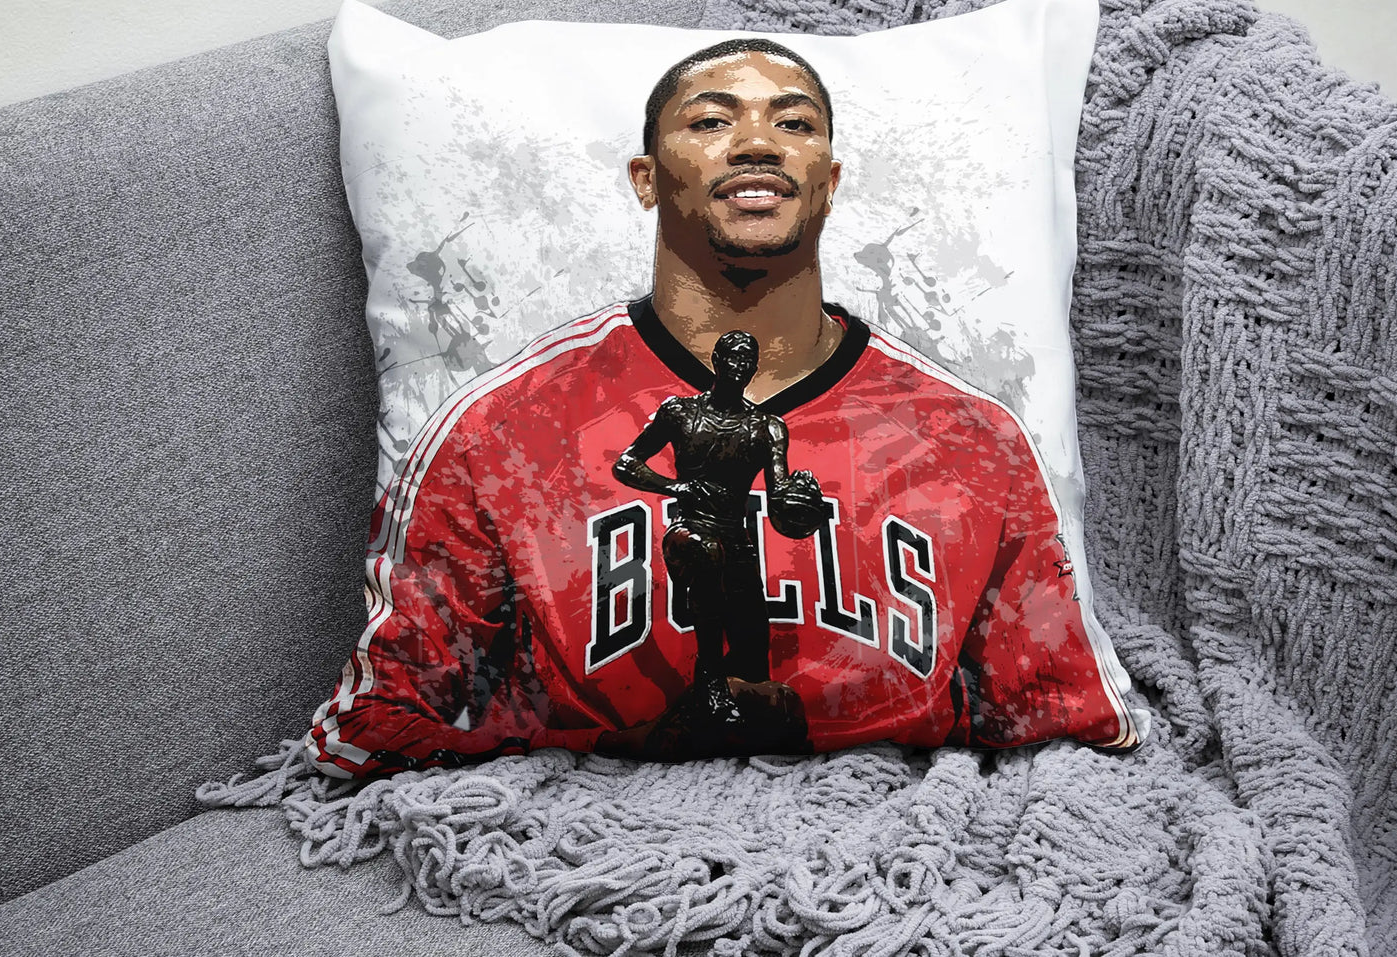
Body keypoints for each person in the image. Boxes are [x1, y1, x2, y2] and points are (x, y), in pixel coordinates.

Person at [307, 38, 1141, 778]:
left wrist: (796, 502)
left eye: (794, 123)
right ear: (645, 179)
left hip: (895, 833)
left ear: (830, 183)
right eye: (710, 121)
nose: (756, 142)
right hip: (604, 822)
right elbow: (373, 721)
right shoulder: (505, 427)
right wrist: (595, 766)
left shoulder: (972, 436)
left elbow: (1063, 720)